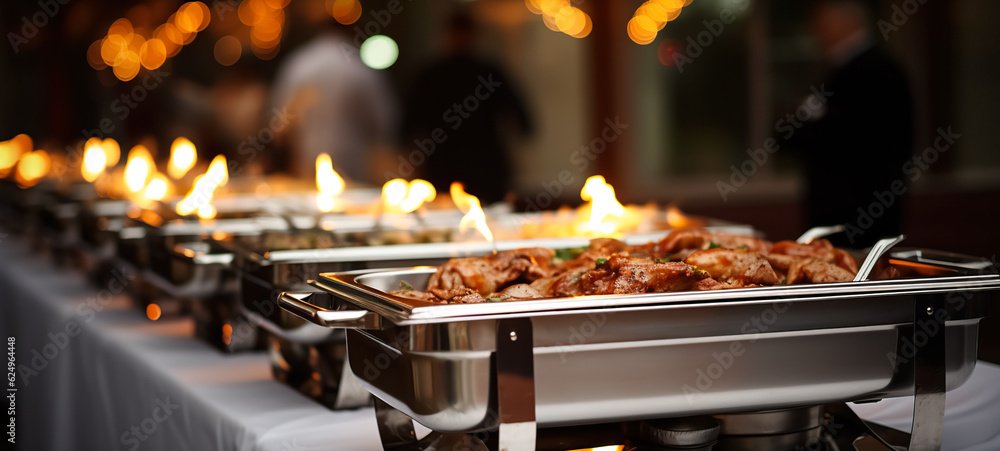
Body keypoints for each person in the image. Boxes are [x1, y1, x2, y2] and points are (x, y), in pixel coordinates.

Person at [790, 0, 913, 247]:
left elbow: (853, 139)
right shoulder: (836, 69)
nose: (816, 30)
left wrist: (804, 130)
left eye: (822, 22)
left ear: (845, 22)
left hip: (863, 213)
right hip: (835, 211)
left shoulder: (876, 71)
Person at [401, 10, 533, 204]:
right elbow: (524, 122)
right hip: (460, 168)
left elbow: (407, 127)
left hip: (470, 168)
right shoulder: (435, 75)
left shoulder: (433, 75)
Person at [271, 13, 396, 183]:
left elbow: (280, 121)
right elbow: (384, 120)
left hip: (305, 158)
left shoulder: (298, 64)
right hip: (353, 159)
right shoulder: (359, 66)